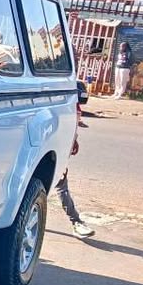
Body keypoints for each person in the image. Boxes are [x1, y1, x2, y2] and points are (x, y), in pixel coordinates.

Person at [56, 101, 95, 238]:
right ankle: (76, 222)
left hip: (60, 151)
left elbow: (72, 128)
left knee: (61, 185)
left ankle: (76, 222)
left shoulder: (70, 102)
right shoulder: (61, 102)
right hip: (51, 150)